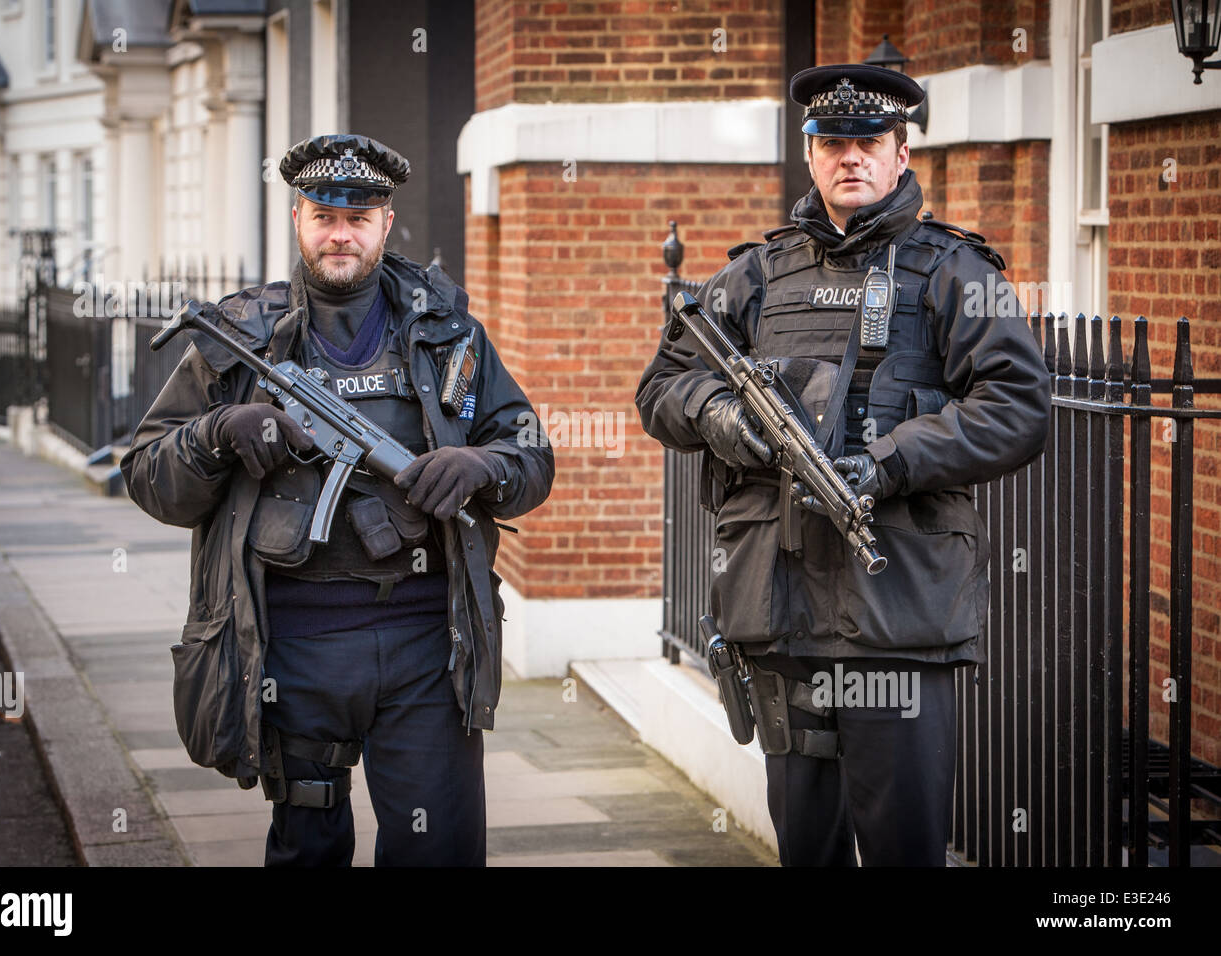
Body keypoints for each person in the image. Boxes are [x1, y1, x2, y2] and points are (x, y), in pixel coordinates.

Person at [636, 65, 1050, 866]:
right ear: (811, 155)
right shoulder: (757, 275)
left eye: (868, 142)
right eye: (832, 144)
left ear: (901, 153)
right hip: (780, 608)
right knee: (807, 846)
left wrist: (889, 463)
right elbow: (661, 388)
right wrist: (720, 416)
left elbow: (1018, 408)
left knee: (903, 845)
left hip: (896, 609)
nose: (849, 158)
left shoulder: (957, 275)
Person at [121, 133, 554, 867]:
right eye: (324, 215)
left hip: (425, 645)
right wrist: (220, 431)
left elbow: (533, 453)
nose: (340, 234)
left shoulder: (448, 334)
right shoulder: (239, 336)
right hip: (291, 648)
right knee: (308, 848)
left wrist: (479, 466)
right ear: (298, 219)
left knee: (437, 848)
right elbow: (146, 471)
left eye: (359, 217)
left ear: (386, 223)